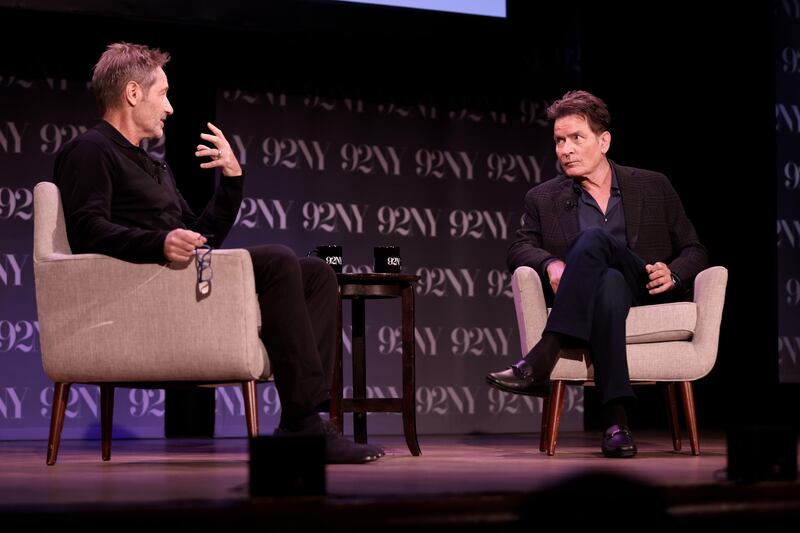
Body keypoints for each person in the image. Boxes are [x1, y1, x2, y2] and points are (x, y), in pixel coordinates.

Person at [53, 42, 383, 464]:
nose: (170, 108)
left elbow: (200, 238)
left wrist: (232, 180)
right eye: (163, 94)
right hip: (144, 293)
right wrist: (158, 243)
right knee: (278, 257)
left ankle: (301, 420)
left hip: (175, 280)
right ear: (133, 93)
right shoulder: (90, 151)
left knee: (315, 272)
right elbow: (86, 231)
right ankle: (304, 425)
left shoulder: (151, 165)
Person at [486, 90, 708, 458]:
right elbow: (518, 249)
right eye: (559, 140)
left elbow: (695, 249)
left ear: (604, 141)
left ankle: (546, 351)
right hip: (603, 294)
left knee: (595, 242)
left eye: (576, 138)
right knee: (607, 283)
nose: (565, 149)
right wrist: (550, 264)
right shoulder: (543, 197)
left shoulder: (653, 185)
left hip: (644, 285)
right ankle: (616, 424)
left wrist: (674, 273)